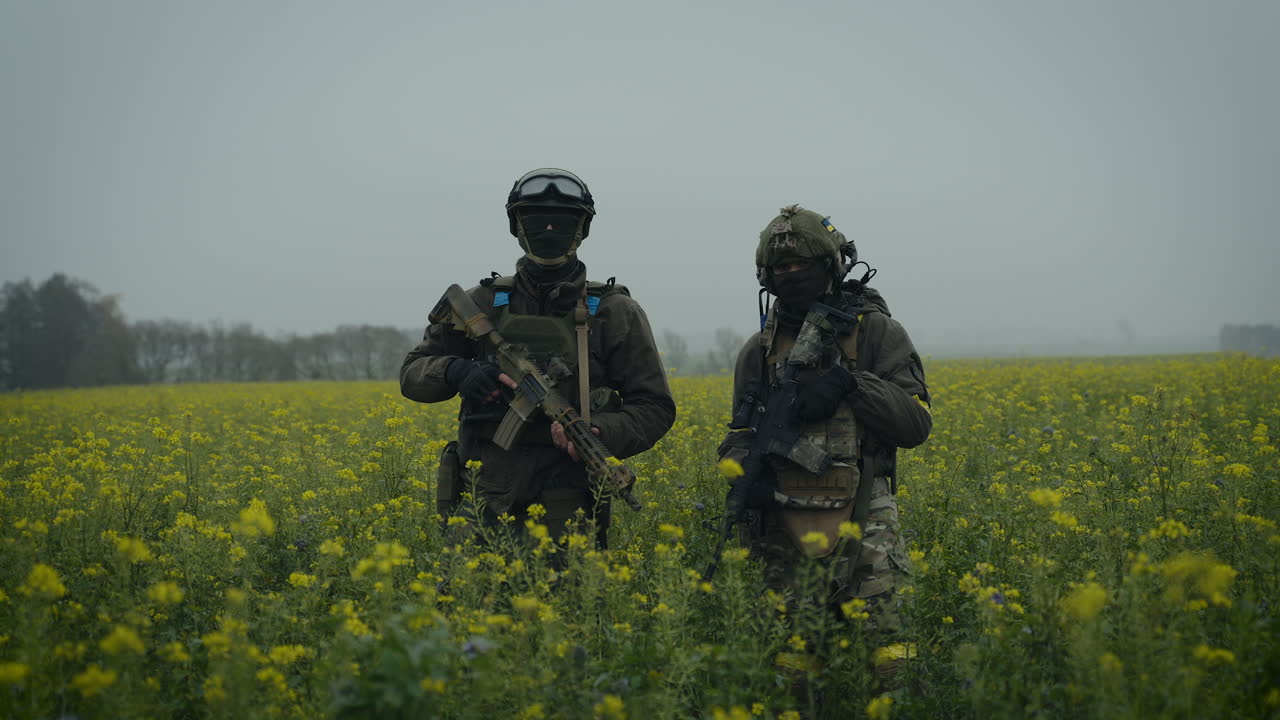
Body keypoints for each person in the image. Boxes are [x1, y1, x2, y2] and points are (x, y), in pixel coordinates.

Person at [717, 204, 932, 691]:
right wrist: (743, 470)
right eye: (782, 267)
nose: (792, 274)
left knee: (891, 661)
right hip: (781, 523)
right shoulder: (758, 349)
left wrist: (851, 385)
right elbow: (738, 434)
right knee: (792, 670)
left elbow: (916, 424)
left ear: (832, 265)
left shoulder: (877, 333)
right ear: (766, 277)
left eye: (803, 264)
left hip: (864, 513)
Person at [401, 168, 675, 549]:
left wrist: (599, 430)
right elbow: (412, 374)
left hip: (569, 509)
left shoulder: (614, 312)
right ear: (516, 226)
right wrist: (456, 371)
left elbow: (655, 407)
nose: (548, 229)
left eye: (561, 220)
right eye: (536, 219)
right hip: (482, 505)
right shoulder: (480, 304)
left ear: (582, 228)